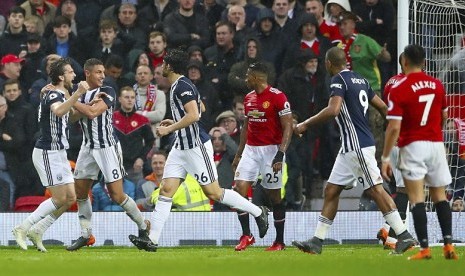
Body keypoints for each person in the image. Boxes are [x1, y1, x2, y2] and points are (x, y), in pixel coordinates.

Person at [128, 49, 269, 252]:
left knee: (214, 192)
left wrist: (169, 128)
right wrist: (176, 122)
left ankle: (258, 211)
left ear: (170, 66)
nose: (160, 67)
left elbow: (194, 115)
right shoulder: (180, 85)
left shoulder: (182, 86)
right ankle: (153, 240)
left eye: (164, 63)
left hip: (195, 146)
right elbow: (200, 108)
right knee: (166, 191)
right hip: (180, 147)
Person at [292, 47, 415, 255]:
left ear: (329, 63)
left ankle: (403, 235)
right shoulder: (361, 80)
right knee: (331, 190)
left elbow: (334, 109)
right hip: (349, 147)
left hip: (356, 145)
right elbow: (384, 108)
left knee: (376, 190)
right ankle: (317, 240)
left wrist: (305, 123)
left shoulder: (338, 80)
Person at [381, 44, 458, 260]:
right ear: (424, 62)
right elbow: (444, 116)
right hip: (436, 144)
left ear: (404, 61)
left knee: (415, 198)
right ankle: (448, 246)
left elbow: (394, 127)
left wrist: (386, 157)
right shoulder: (437, 84)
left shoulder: (398, 87)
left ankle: (424, 249)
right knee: (440, 197)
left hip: (412, 146)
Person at [67, 58, 150, 251]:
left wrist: (71, 100)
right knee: (80, 192)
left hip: (107, 147)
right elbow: (72, 117)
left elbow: (93, 113)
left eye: (103, 72)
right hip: (87, 147)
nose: (103, 76)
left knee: (117, 195)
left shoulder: (109, 91)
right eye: (98, 72)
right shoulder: (80, 94)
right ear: (87, 73)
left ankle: (143, 226)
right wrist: (77, 101)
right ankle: (86, 235)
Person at [12, 58, 88, 252]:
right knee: (60, 198)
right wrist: (78, 93)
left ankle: (38, 229)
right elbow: (60, 110)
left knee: (71, 197)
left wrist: (86, 107)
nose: (74, 75)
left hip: (59, 152)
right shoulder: (53, 94)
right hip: (47, 152)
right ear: (61, 76)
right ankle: (22, 228)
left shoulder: (61, 93)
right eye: (70, 72)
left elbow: (69, 116)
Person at [231, 62, 293, 251]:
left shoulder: (278, 97)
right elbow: (246, 128)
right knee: (239, 189)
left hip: (271, 151)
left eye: (248, 76)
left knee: (274, 196)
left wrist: (280, 154)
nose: (245, 79)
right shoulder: (248, 98)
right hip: (251, 149)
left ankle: (280, 241)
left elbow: (288, 126)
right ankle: (246, 235)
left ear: (257, 78)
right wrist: (239, 154)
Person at [376, 53, 409, 250]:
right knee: (407, 191)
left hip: (394, 140)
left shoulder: (390, 82)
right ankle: (393, 239)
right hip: (406, 141)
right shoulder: (410, 84)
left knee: (401, 189)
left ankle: (387, 228)